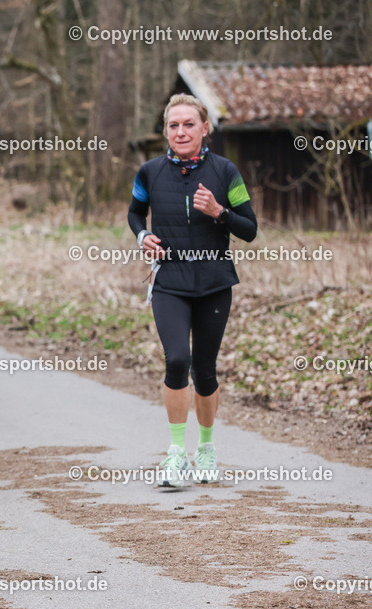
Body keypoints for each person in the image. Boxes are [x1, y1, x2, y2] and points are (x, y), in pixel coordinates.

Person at [128, 93, 257, 487]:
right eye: (173, 125)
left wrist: (220, 212)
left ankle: (206, 448)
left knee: (204, 369)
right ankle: (175, 454)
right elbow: (135, 213)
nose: (180, 132)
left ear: (205, 128)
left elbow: (250, 229)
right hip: (169, 281)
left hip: (214, 283)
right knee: (176, 361)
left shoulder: (226, 171)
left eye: (188, 124)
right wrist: (143, 236)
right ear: (166, 130)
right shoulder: (150, 172)